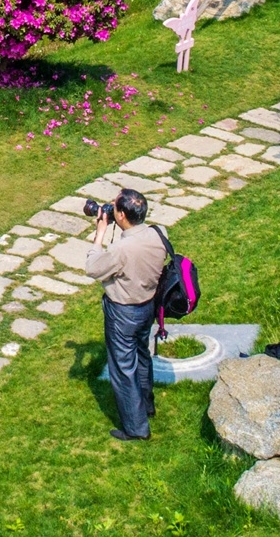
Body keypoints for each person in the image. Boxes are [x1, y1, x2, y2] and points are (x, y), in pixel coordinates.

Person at [81, 188, 169, 440]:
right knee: (142, 356)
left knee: (123, 368)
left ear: (120, 215)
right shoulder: (159, 232)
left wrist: (99, 234)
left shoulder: (121, 249)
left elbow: (93, 268)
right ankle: (146, 405)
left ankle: (136, 428)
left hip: (122, 312)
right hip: (147, 307)